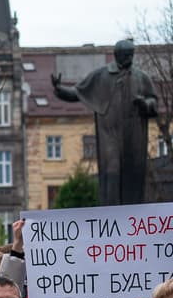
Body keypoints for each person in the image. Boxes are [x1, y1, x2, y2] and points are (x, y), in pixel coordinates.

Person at [52, 38, 159, 205]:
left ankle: (133, 216)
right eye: (125, 55)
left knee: (134, 174)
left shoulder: (141, 77)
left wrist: (145, 104)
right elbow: (77, 93)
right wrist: (59, 89)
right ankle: (111, 216)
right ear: (116, 55)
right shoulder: (101, 75)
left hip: (134, 136)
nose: (129, 59)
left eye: (131, 55)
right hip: (110, 136)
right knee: (111, 173)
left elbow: (154, 102)